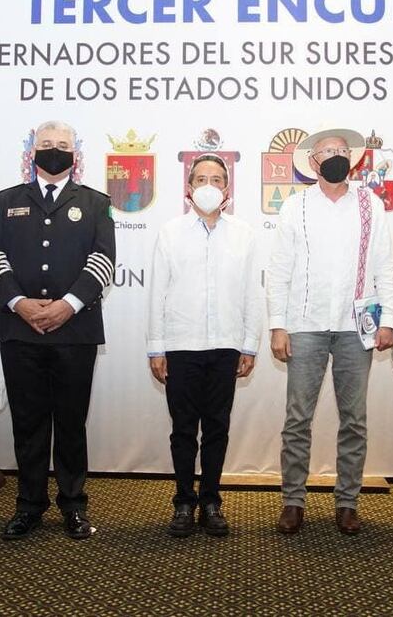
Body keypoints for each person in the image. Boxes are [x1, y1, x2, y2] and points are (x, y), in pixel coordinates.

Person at [0, 120, 115, 541]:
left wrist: (66, 306)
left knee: (71, 424)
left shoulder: (96, 203)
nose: (53, 150)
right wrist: (20, 304)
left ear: (75, 155)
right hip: (20, 331)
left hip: (74, 331)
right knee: (28, 423)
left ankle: (74, 506)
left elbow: (104, 262)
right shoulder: (6, 201)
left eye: (62, 145)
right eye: (46, 144)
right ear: (31, 151)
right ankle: (29, 506)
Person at [267, 128, 393, 535]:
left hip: (353, 328)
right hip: (305, 326)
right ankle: (293, 500)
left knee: (354, 420)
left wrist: (390, 321)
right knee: (297, 419)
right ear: (313, 162)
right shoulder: (295, 206)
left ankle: (347, 502)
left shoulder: (370, 204)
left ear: (354, 159)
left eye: (342, 151)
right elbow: (279, 271)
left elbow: (384, 267)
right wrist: (278, 325)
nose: (335, 157)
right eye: (327, 152)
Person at [146, 154, 262, 537]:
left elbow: (251, 293)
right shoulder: (170, 232)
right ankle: (183, 502)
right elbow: (157, 294)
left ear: (227, 189)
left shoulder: (243, 234)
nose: (209, 184)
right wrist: (156, 348)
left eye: (216, 178)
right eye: (201, 178)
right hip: (181, 345)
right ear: (189, 188)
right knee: (182, 429)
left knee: (217, 428)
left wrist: (249, 345)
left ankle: (211, 500)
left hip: (226, 346)